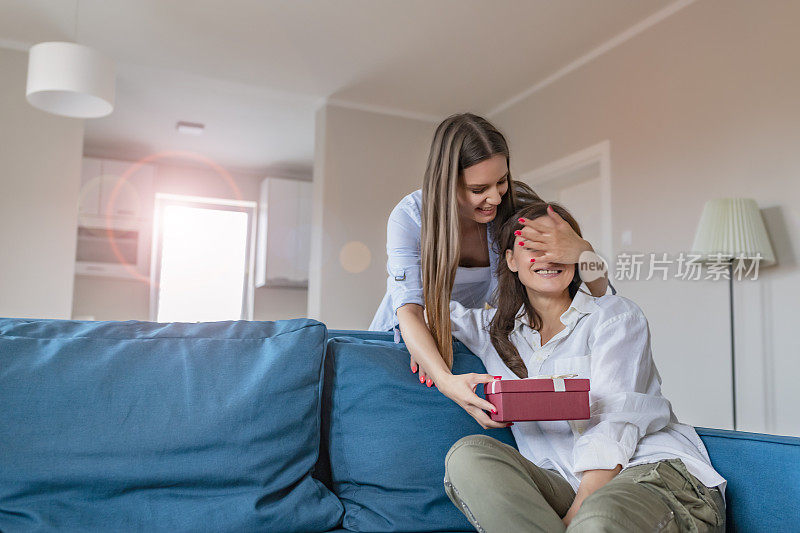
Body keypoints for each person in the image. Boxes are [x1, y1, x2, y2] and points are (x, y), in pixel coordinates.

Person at [440, 201, 726, 532]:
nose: (549, 257)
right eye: (533, 246)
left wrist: (576, 516)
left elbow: (615, 423)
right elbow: (419, 306)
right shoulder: (492, 330)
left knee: (597, 517)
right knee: (468, 456)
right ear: (510, 260)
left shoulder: (615, 316)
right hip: (563, 483)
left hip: (650, 475)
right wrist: (433, 363)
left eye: (560, 246)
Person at [369, 113, 613, 429]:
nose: (495, 197)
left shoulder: (516, 206)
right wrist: (444, 377)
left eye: (501, 181)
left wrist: (583, 252)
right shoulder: (411, 217)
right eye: (479, 188)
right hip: (408, 333)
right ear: (446, 184)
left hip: (467, 328)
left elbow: (602, 292)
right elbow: (410, 311)